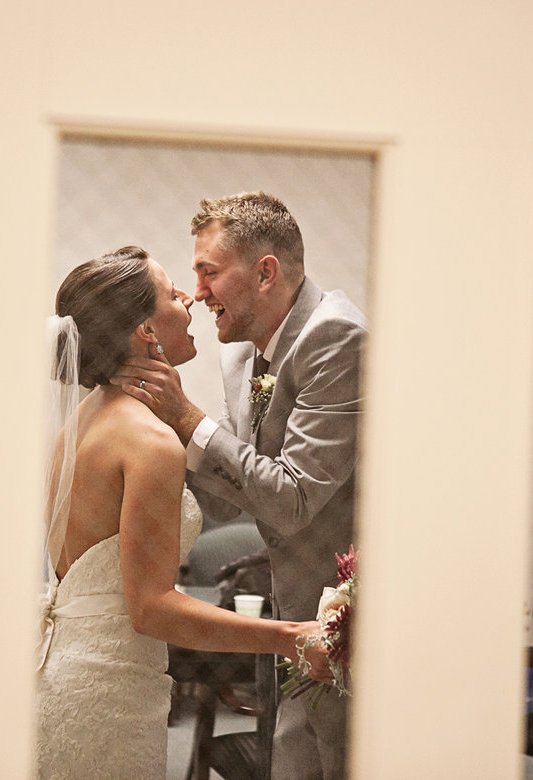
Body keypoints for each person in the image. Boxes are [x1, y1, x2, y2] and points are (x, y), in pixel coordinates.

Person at [36, 245, 329, 780]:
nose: (190, 298)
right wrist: (290, 636)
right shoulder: (148, 441)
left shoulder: (85, 419)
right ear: (146, 330)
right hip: (107, 693)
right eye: (172, 292)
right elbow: (152, 609)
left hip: (66, 674)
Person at [114, 192, 367, 779]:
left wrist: (187, 420)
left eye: (208, 272)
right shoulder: (240, 359)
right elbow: (237, 483)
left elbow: (293, 497)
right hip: (291, 611)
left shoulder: (337, 338)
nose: (198, 293)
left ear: (265, 272)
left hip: (347, 622)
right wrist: (141, 457)